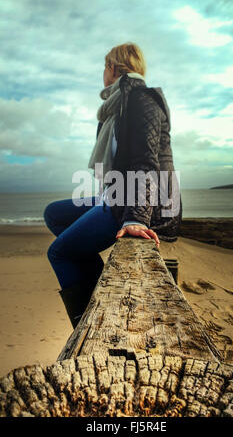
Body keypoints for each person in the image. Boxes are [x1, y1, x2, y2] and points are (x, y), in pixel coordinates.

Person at [43, 42, 182, 328]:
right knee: (53, 214)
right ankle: (99, 291)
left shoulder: (141, 99)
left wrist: (136, 218)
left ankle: (90, 325)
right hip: (118, 191)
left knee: (59, 252)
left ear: (113, 68)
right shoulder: (116, 106)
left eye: (104, 66)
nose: (102, 73)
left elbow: (146, 163)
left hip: (144, 201)